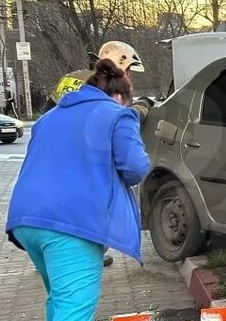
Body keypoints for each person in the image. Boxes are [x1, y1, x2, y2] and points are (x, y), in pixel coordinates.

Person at [6, 45, 151, 321]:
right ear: (119, 93)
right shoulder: (116, 115)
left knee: (58, 301)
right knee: (74, 306)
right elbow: (135, 167)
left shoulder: (52, 116)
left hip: (26, 220)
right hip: (72, 223)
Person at [44, 43, 150, 269]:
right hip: (79, 204)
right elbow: (132, 162)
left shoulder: (71, 80)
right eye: (129, 71)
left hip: (45, 191)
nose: (131, 77)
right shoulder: (110, 100)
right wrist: (141, 108)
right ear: (121, 68)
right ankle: (89, 253)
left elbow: (49, 112)